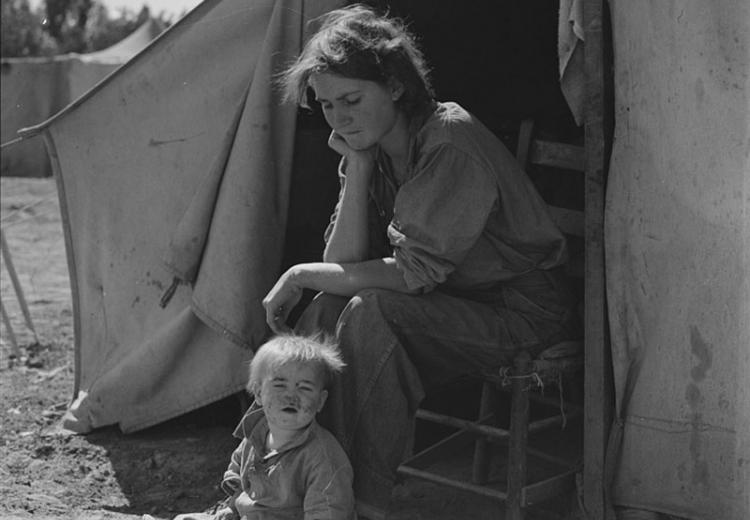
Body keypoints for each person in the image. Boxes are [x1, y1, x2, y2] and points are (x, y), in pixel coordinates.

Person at [262, 4, 578, 518]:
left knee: (370, 311)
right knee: (323, 311)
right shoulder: (371, 145)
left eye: (352, 100)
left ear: (395, 86)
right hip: (453, 303)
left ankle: (355, 502)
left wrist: (297, 274)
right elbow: (340, 262)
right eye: (325, 106)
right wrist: (359, 166)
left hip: (524, 315)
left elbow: (411, 275)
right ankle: (303, 483)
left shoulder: (448, 142)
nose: (340, 118)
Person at [155, 334, 354, 520]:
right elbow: (240, 485)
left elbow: (326, 512)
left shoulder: (323, 459)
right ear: (258, 394)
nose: (291, 396)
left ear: (320, 401)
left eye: (305, 387)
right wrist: (231, 510)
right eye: (279, 385)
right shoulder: (254, 438)